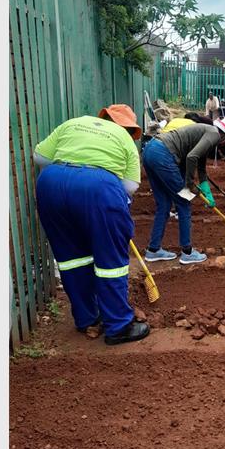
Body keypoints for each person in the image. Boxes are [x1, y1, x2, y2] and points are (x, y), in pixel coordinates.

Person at [32, 105, 150, 346]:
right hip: (98, 187)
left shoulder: (73, 123)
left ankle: (87, 318)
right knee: (111, 263)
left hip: (51, 183)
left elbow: (40, 157)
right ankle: (117, 326)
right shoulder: (124, 140)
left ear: (103, 117)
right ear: (127, 126)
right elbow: (130, 187)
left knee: (71, 257)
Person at [140, 119, 225, 264]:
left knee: (164, 205)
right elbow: (192, 157)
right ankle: (187, 252)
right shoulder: (214, 134)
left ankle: (153, 250)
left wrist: (206, 190)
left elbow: (200, 166)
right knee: (184, 202)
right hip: (163, 154)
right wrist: (190, 185)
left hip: (150, 150)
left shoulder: (206, 132)